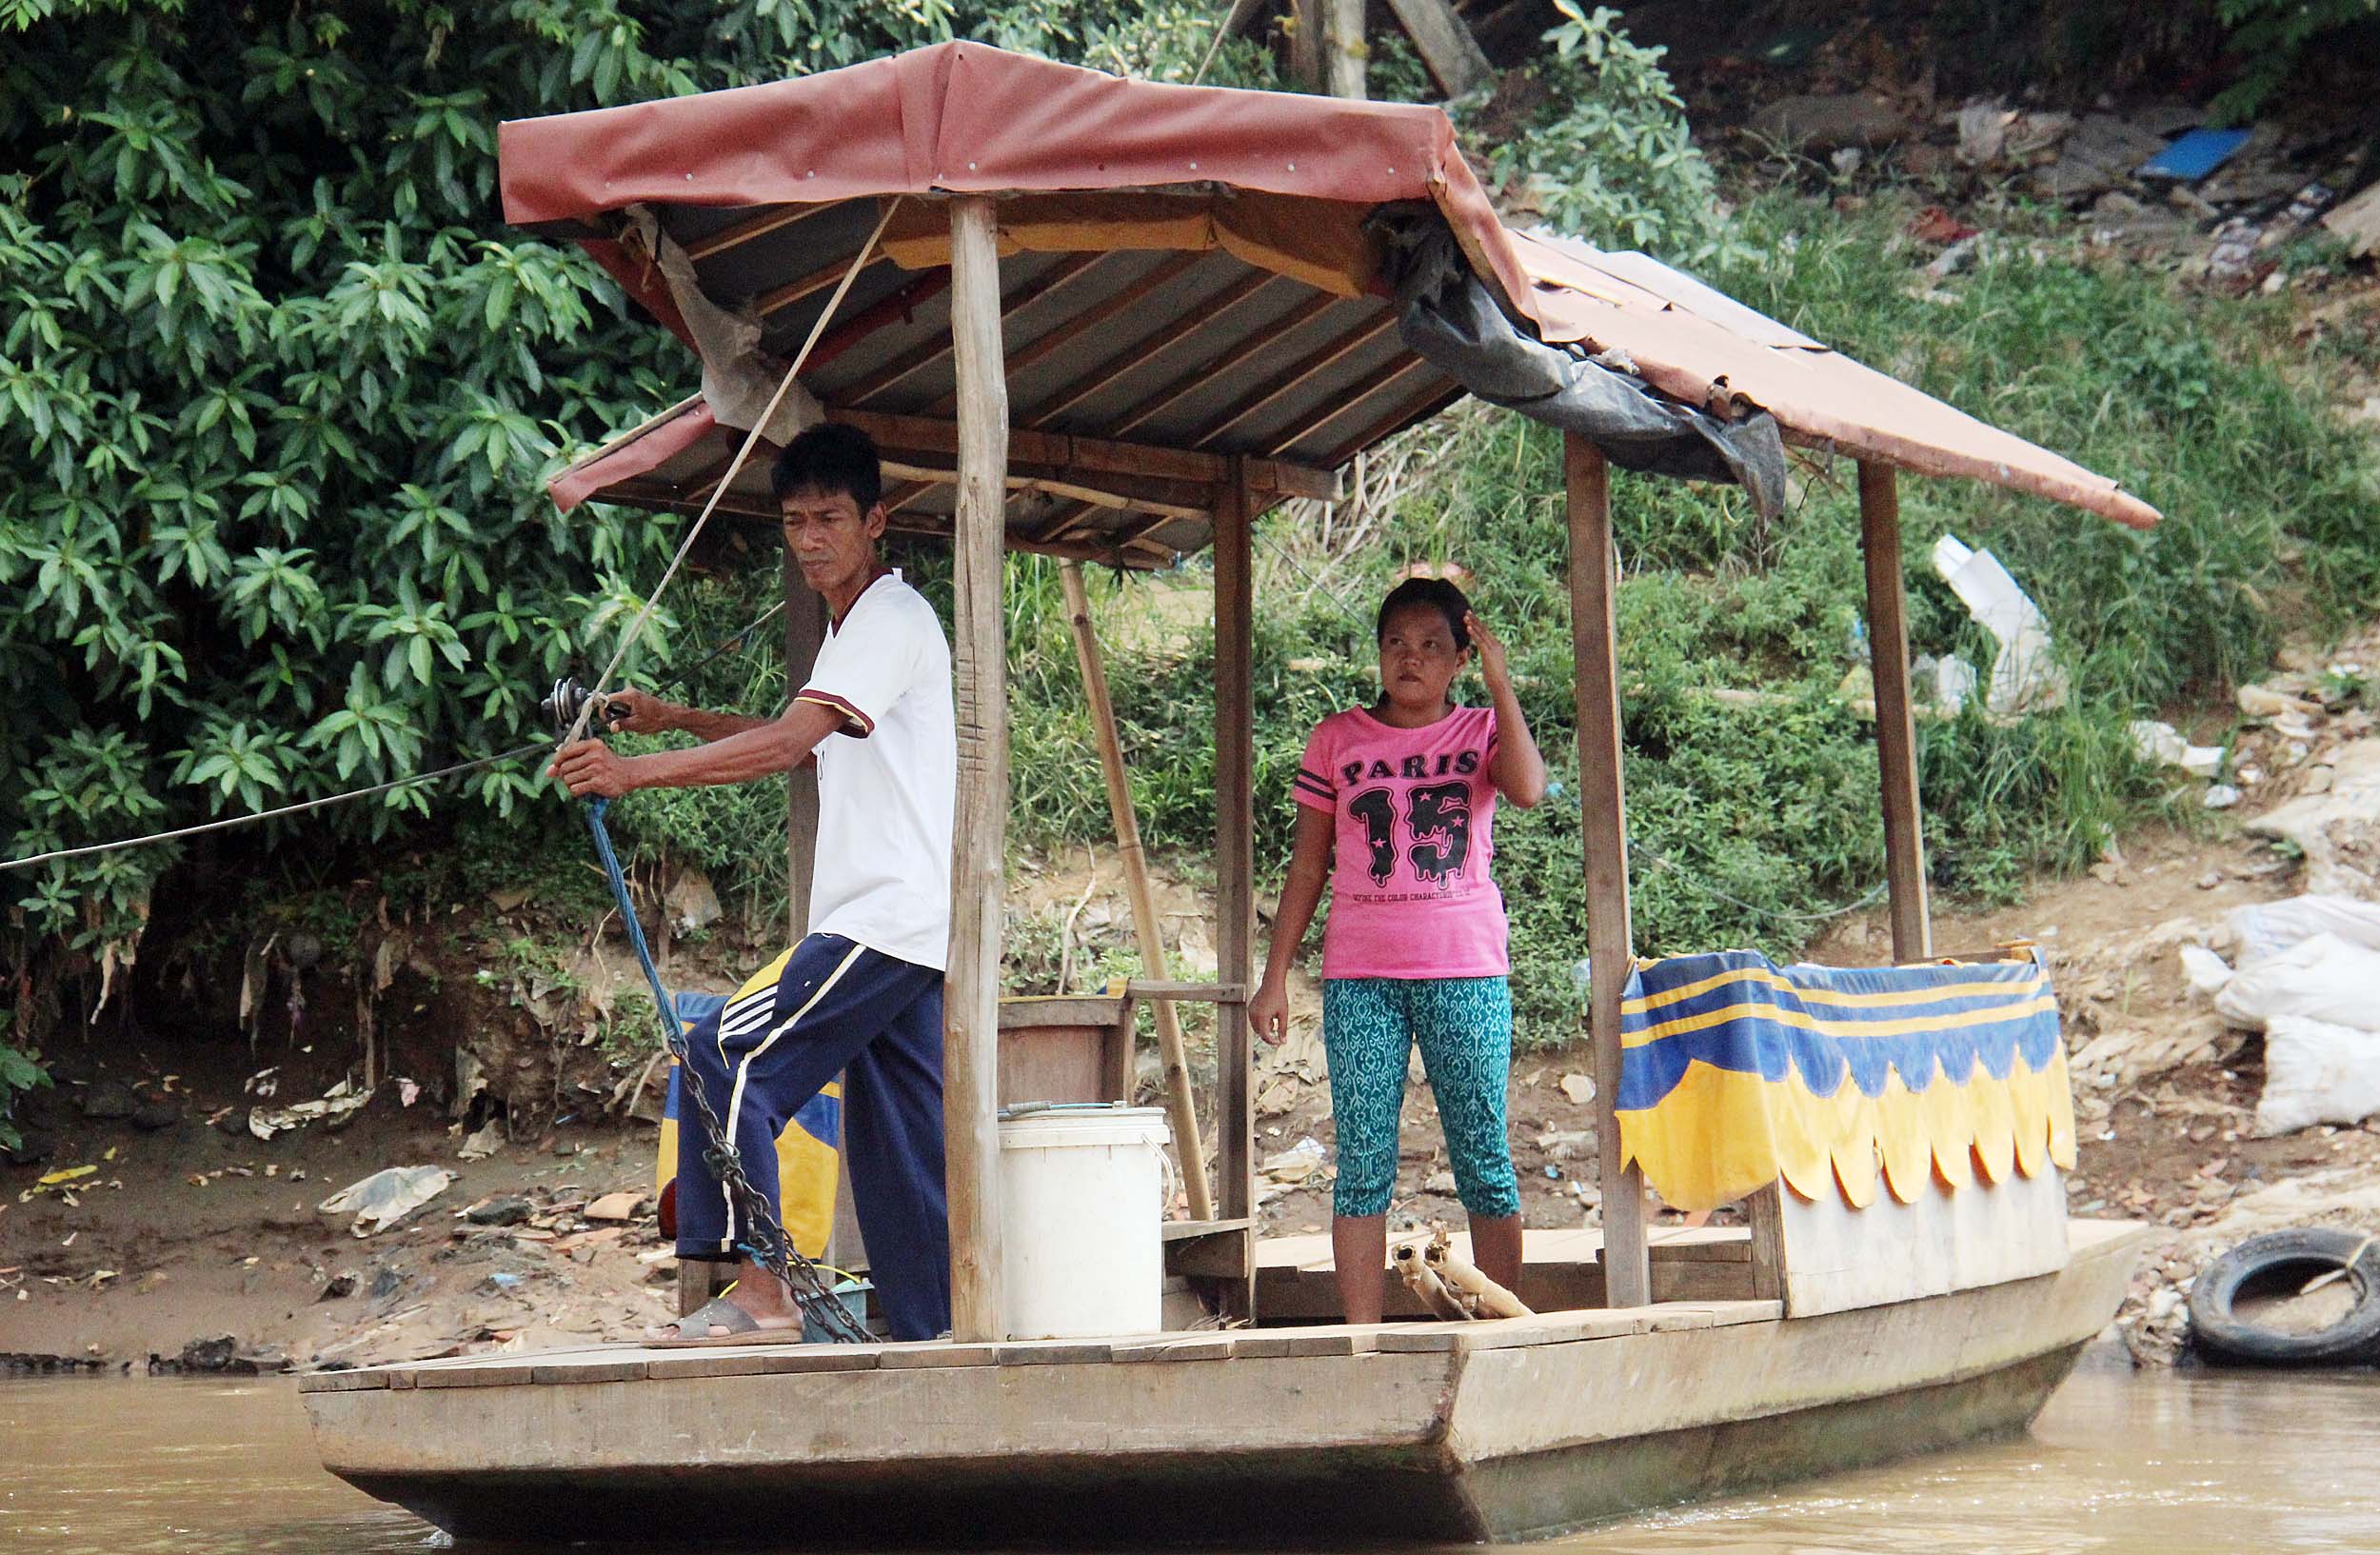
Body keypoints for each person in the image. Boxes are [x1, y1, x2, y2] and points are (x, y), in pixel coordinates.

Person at [550, 423, 955, 1342]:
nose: (810, 539)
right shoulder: (856, 632)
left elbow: (786, 743)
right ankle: (935, 1338)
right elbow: (801, 741)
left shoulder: (889, 619)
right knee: (900, 1152)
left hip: (880, 919)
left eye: (830, 519)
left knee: (720, 1058)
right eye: (795, 522)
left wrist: (631, 772)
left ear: (876, 521)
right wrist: (673, 718)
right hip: (904, 928)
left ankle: (764, 1290)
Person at [1248, 574, 1547, 1325]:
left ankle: (1501, 1334)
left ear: (1459, 659)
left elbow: (1528, 789)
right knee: (1362, 1163)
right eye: (1396, 643)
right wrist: (1274, 975)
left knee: (1483, 1155)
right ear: (1379, 652)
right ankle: (1363, 1345)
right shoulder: (1336, 739)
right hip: (1361, 977)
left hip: (1465, 968)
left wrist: (1502, 685)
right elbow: (1308, 865)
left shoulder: (1480, 730)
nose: (1410, 659)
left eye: (1431, 646)